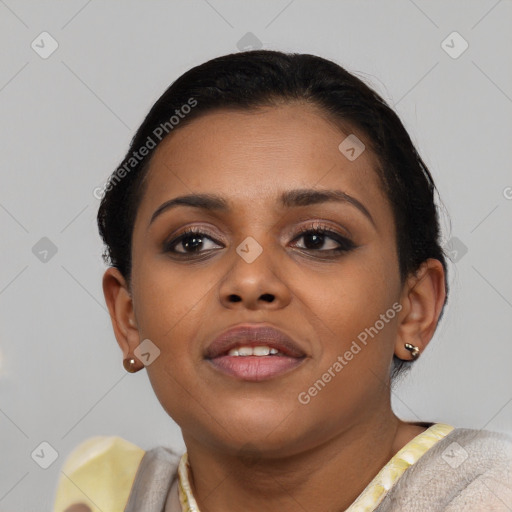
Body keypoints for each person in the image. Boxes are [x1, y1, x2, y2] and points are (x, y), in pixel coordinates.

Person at [53, 49, 512, 512]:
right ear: (128, 318)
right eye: (193, 242)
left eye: (317, 239)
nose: (250, 280)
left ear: (413, 309)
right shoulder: (105, 496)